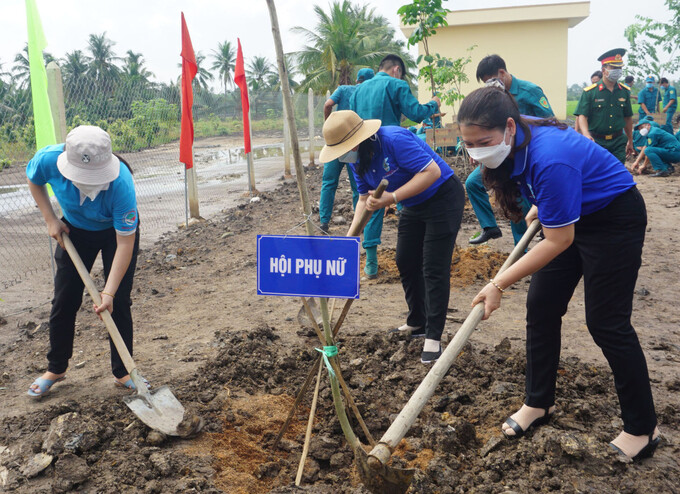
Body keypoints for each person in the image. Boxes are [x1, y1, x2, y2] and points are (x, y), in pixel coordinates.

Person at [458, 85, 659, 461]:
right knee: (542, 305)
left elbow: (557, 241)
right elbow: (542, 191)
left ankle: (642, 427)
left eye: (483, 141)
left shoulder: (551, 157)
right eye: (469, 144)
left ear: (509, 128)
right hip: (573, 213)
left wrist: (498, 282)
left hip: (614, 218)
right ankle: (539, 403)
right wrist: (546, 203)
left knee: (607, 322)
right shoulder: (520, 136)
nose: (477, 151)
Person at [320, 110, 464, 363]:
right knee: (405, 261)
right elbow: (364, 199)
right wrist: (350, 239)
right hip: (412, 205)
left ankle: (433, 335)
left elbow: (432, 173)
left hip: (442, 198)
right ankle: (417, 322)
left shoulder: (395, 140)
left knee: (433, 267)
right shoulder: (357, 160)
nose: (344, 154)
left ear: (359, 140)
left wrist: (393, 198)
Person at [26, 125, 141, 396]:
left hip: (115, 235)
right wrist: (50, 219)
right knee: (64, 298)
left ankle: (124, 371)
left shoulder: (122, 184)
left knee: (120, 301)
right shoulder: (48, 159)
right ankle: (56, 367)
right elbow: (34, 179)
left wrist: (108, 292)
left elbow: (125, 243)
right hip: (74, 231)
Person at [349, 54, 441, 279]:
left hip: (359, 154)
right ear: (397, 69)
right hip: (393, 153)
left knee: (367, 201)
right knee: (403, 201)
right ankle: (412, 253)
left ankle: (370, 261)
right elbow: (416, 113)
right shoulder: (396, 84)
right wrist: (434, 104)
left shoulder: (357, 91)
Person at [467, 54, 553, 245]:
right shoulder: (491, 98)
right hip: (500, 154)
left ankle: (523, 245)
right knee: (473, 183)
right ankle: (490, 227)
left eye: (490, 80)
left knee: (517, 197)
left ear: (502, 73)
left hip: (524, 154)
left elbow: (550, 122)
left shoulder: (529, 91)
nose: (488, 86)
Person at [318, 68, 375, 233]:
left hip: (336, 142)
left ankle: (324, 223)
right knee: (358, 187)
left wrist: (328, 125)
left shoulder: (343, 89)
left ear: (357, 79)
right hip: (355, 143)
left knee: (329, 183)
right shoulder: (368, 93)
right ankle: (361, 224)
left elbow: (328, 104)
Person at [574, 48, 634, 164]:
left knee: (617, 173)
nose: (618, 71)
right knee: (597, 174)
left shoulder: (624, 91)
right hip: (596, 141)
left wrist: (630, 140)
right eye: (614, 68)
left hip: (618, 141)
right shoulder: (590, 92)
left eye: (620, 68)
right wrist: (586, 134)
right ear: (604, 70)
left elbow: (628, 118)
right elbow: (582, 116)